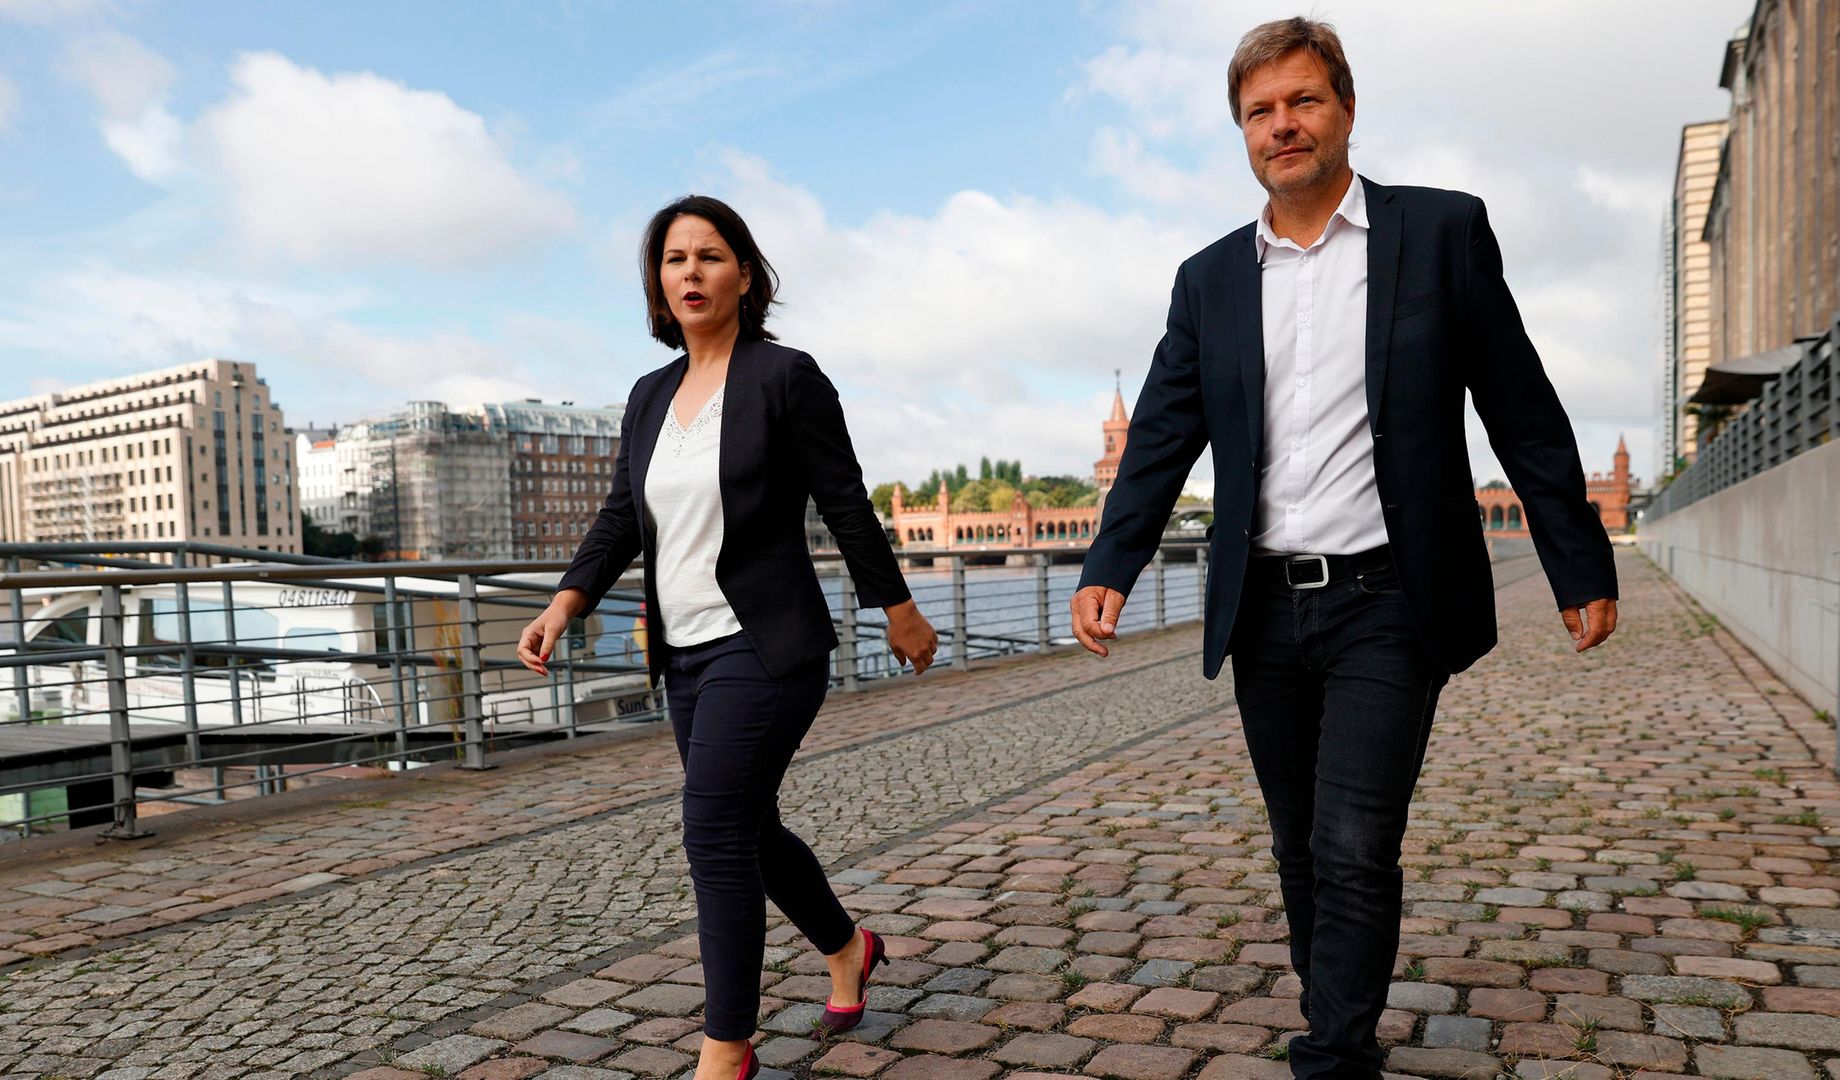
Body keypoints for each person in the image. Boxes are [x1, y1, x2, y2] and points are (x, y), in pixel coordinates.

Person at [1072, 18, 1619, 1079]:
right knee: (1297, 846)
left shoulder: (1441, 233)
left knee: (1354, 841)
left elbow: (1521, 405)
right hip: (1265, 604)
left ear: (1347, 109)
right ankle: (1336, 1013)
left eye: (1303, 100)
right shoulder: (1209, 279)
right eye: (1260, 110)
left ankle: (1334, 1053)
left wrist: (1579, 559)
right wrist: (1109, 564)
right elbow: (1162, 438)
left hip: (1391, 597)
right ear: (1242, 132)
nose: (1284, 125)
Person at [517, 195, 938, 1080]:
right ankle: (848, 948)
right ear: (657, 284)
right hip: (686, 653)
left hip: (770, 645)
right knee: (746, 828)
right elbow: (619, 518)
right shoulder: (648, 397)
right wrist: (567, 601)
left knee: (710, 830)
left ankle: (726, 1050)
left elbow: (845, 500)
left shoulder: (785, 377)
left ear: (746, 275)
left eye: (711, 257)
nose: (692, 273)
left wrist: (895, 605)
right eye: (675, 260)